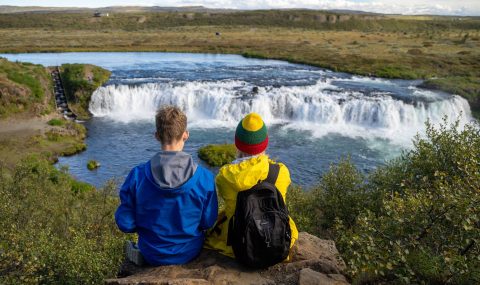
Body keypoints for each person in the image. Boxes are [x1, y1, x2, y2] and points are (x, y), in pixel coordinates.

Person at [115, 105, 218, 266]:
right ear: (186, 135)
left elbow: (125, 223)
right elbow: (207, 222)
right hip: (189, 252)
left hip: (151, 253)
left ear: (156, 136)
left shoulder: (137, 176)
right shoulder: (205, 178)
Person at [205, 112, 298, 265]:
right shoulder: (281, 171)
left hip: (239, 242)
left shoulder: (225, 176)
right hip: (277, 237)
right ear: (265, 143)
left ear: (236, 143)